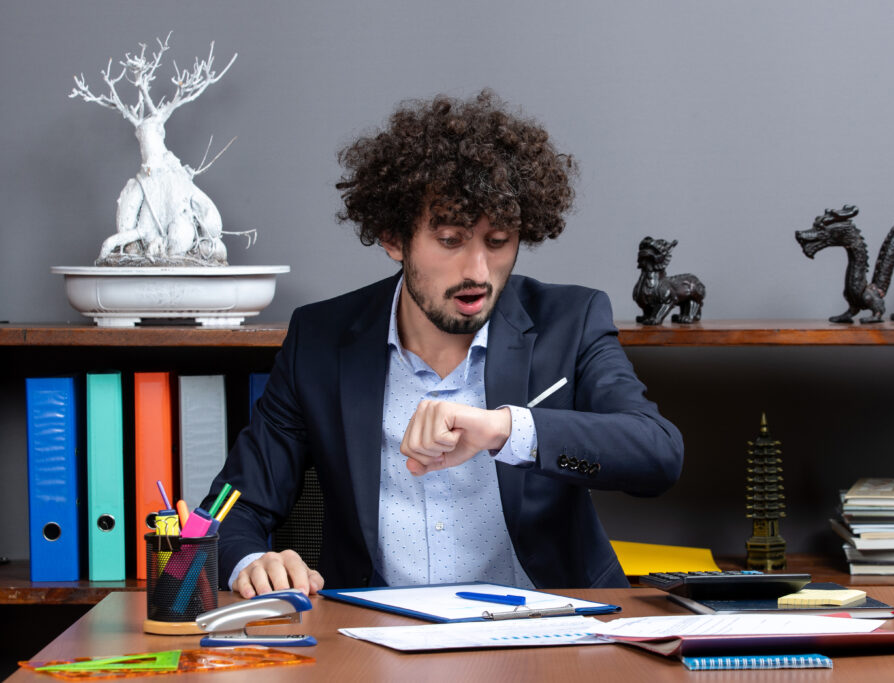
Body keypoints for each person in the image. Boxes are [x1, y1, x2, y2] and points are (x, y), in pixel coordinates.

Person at [205, 90, 684, 598]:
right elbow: (230, 509)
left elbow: (656, 456)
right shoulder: (320, 340)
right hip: (375, 639)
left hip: (546, 630)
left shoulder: (570, 320)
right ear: (393, 238)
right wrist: (250, 562)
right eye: (451, 240)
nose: (477, 272)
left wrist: (506, 429)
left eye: (498, 241)